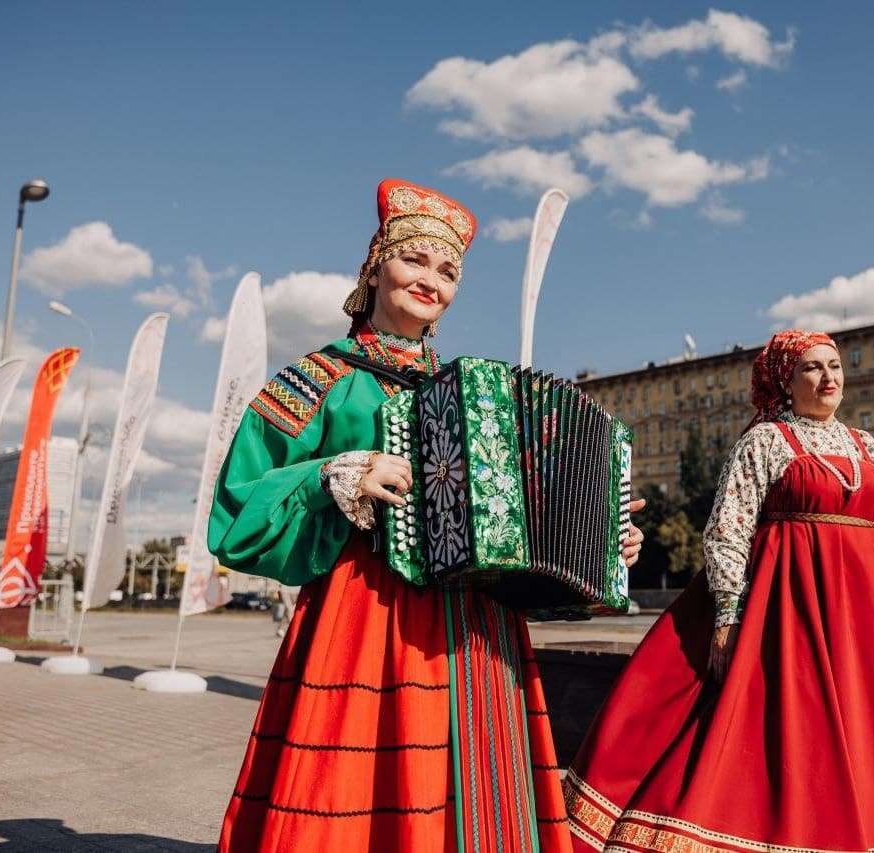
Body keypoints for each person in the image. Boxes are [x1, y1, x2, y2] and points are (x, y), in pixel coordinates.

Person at [210, 179, 644, 853]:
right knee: (361, 778)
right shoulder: (317, 378)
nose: (430, 280)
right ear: (374, 266)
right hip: (367, 611)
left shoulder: (484, 399)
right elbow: (238, 507)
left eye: (447, 271)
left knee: (477, 785)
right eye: (414, 260)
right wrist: (334, 474)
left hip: (477, 626)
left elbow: (527, 527)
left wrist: (602, 542)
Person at [564, 330, 874, 853]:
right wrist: (728, 617)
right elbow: (726, 530)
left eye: (836, 366)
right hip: (795, 614)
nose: (828, 378)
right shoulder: (766, 440)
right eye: (812, 368)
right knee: (802, 738)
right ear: (785, 381)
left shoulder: (868, 445)